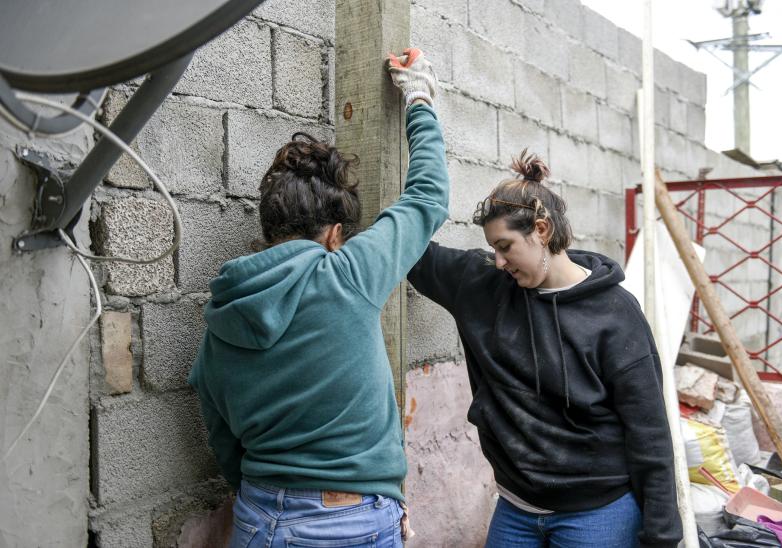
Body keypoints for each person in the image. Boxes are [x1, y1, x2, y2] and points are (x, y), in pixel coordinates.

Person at [188, 48, 446, 547]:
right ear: (333, 233)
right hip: (347, 522)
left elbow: (221, 437)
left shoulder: (220, 316)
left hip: (258, 519)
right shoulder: (346, 276)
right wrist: (418, 96)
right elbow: (427, 197)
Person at [407, 151, 683, 547]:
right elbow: (405, 245)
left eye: (506, 246)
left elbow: (649, 431)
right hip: (517, 509)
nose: (499, 262)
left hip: (597, 513)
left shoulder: (615, 314)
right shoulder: (482, 286)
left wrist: (662, 535)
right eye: (493, 249)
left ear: (541, 229)